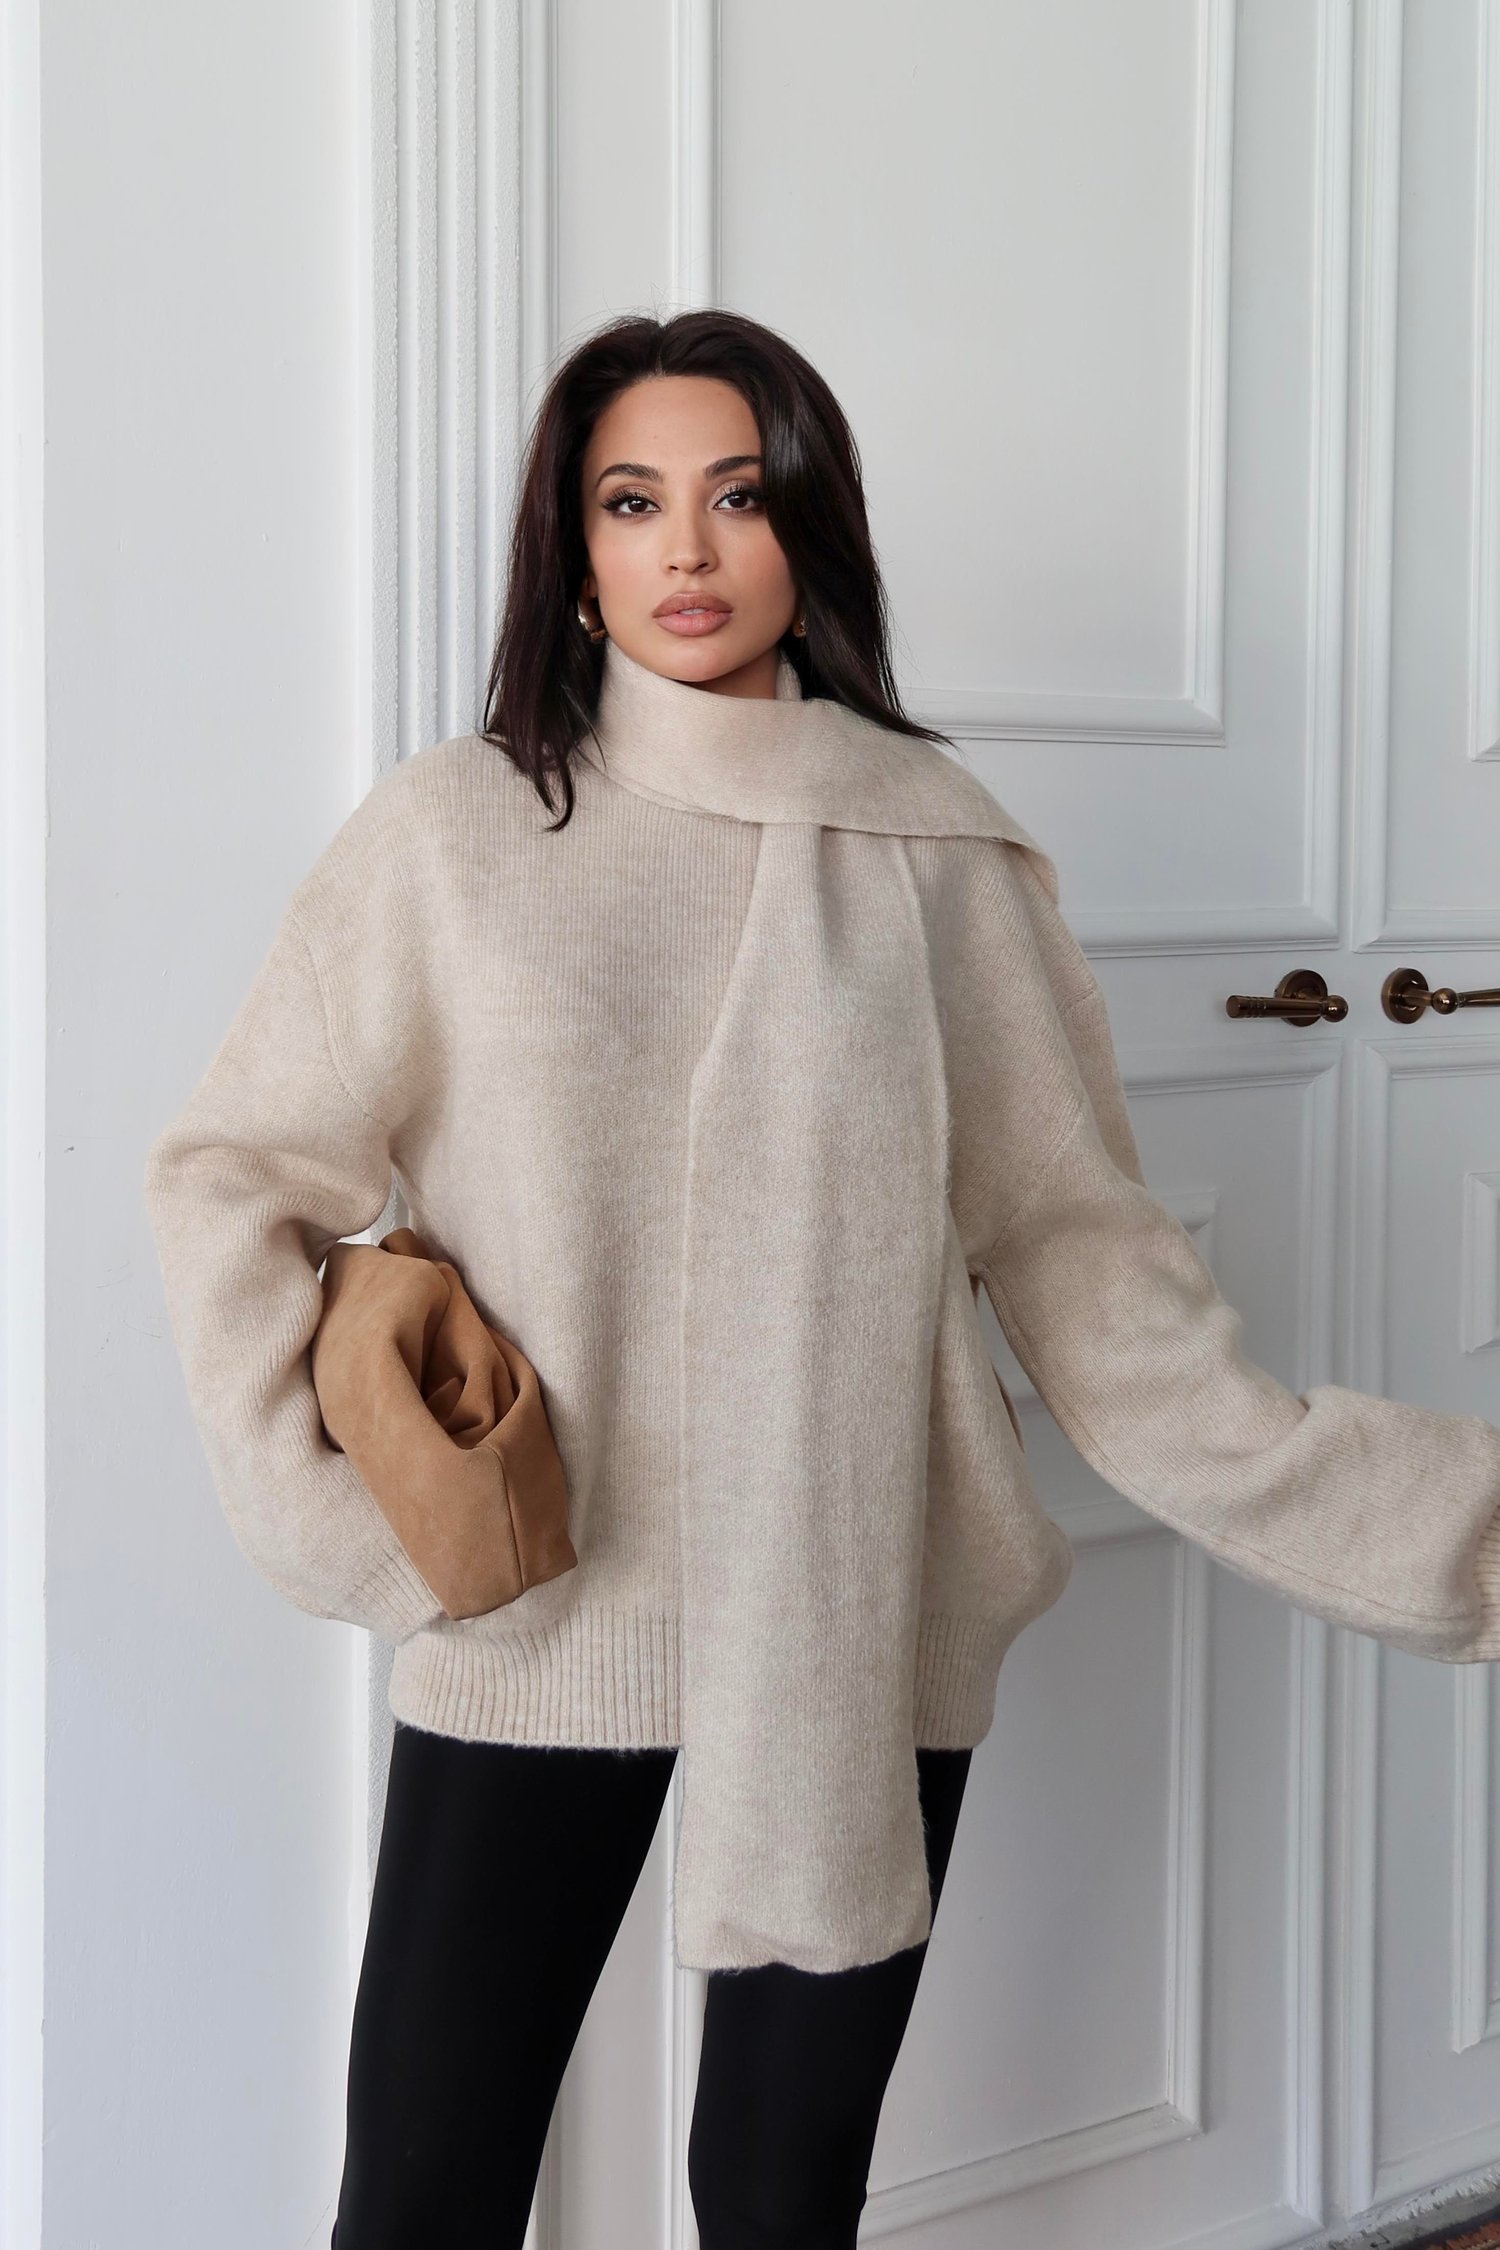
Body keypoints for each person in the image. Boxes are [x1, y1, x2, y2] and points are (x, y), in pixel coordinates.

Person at [143, 308, 1500, 2249]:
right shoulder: (457, 833)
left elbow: (1095, 1281)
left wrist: (1459, 1531)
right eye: (632, 503)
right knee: (426, 2182)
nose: (688, 549)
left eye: (739, 494)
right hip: (542, 1606)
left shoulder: (941, 860)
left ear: (811, 531)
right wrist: (347, 1529)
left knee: (781, 2196)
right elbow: (232, 1172)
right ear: (575, 555)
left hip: (860, 1607)